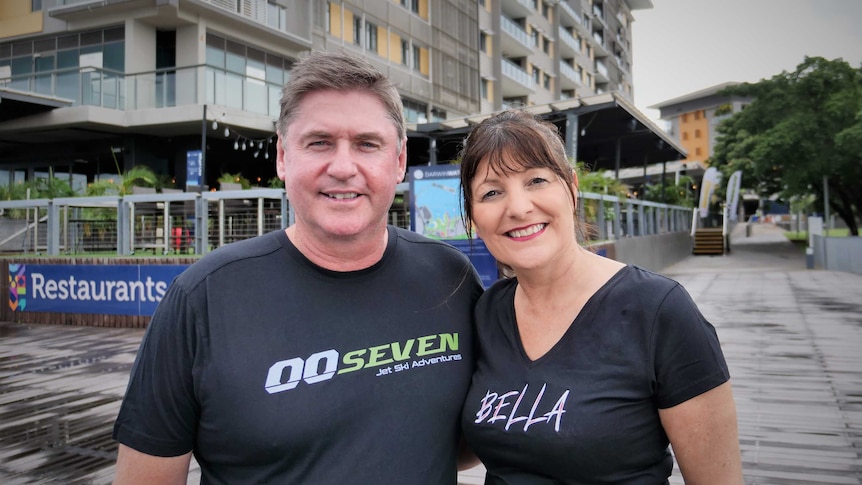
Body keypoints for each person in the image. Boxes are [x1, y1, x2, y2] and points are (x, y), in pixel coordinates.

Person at [113, 50, 483, 484]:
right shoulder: (203, 298)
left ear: (399, 161)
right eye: (319, 142)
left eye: (367, 144)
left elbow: (460, 446)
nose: (343, 167)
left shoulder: (451, 278)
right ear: (283, 157)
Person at [457, 110, 743, 484]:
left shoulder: (658, 310)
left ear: (572, 189)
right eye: (492, 192)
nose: (518, 207)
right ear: (475, 216)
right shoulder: (486, 312)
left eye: (536, 180)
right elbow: (464, 449)